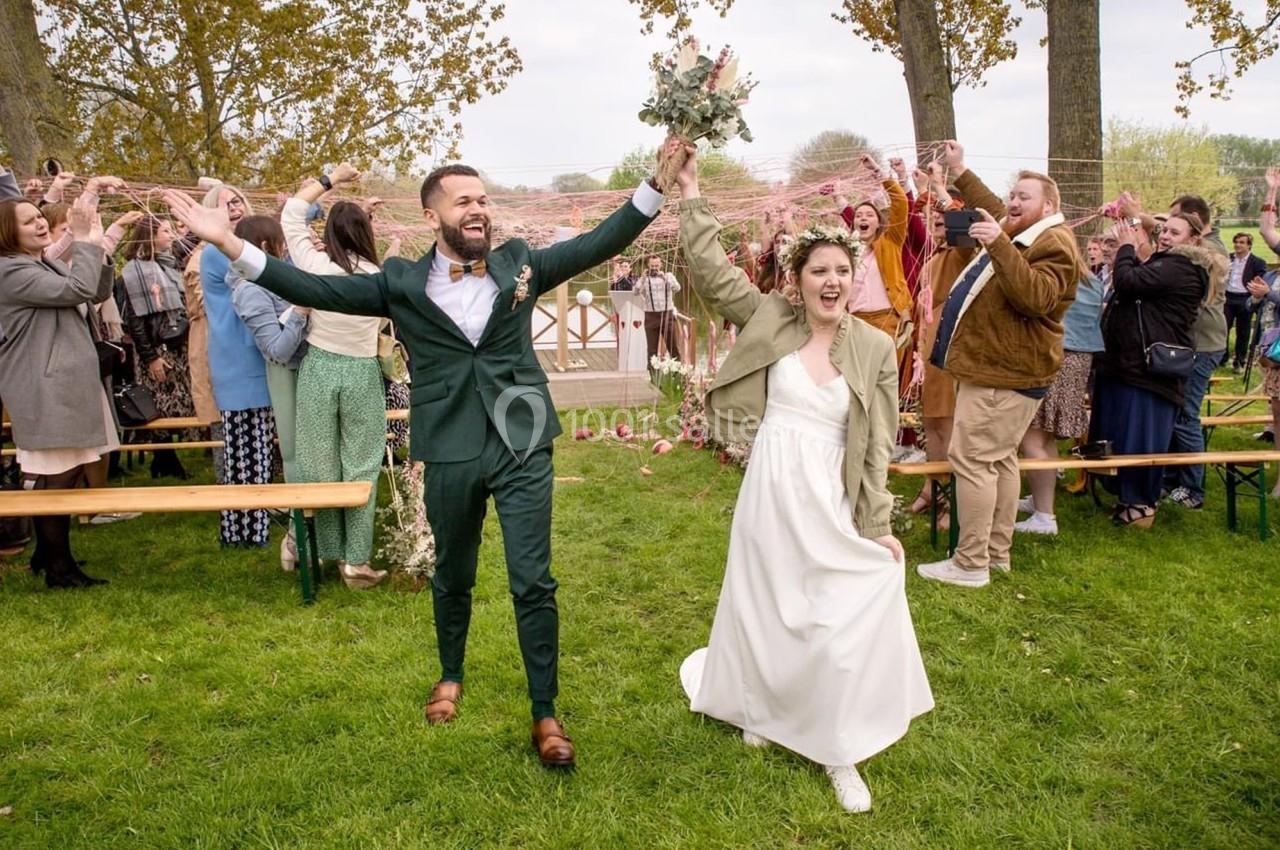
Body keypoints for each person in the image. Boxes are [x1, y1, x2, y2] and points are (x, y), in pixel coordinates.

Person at [162, 149, 667, 769]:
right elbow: (311, 286)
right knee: (453, 569)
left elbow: (599, 241)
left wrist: (655, 186)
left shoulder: (521, 264)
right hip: (449, 443)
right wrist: (232, 246)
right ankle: (450, 673)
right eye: (465, 201)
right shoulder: (398, 281)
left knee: (532, 579)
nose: (479, 208)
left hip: (522, 439)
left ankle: (545, 712)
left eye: (483, 199)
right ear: (433, 216)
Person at [672, 147, 931, 813]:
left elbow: (874, 444)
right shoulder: (773, 318)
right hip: (770, 484)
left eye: (843, 270)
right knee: (765, 603)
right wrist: (694, 193)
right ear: (800, 278)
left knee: (837, 611)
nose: (832, 280)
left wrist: (876, 524)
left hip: (829, 490)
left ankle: (840, 749)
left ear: (855, 277)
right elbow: (710, 270)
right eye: (819, 270)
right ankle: (761, 710)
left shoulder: (875, 347)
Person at [916, 141, 1085, 588]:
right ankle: (996, 553)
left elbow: (1036, 297)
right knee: (1001, 461)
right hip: (996, 369)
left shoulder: (1055, 243)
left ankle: (970, 563)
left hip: (1003, 374)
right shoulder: (1026, 232)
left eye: (1022, 197)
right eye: (1012, 195)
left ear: (1048, 205)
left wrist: (998, 246)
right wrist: (961, 170)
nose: (1011, 202)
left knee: (971, 460)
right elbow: (994, 214)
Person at [276, 167, 388, 588]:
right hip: (360, 370)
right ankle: (355, 562)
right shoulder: (379, 278)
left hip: (320, 367)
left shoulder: (316, 265)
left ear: (332, 235)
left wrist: (330, 179)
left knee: (319, 465)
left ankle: (320, 552)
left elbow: (291, 213)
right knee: (362, 463)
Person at [0, 199, 116, 588]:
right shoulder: (9, 270)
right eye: (28, 220)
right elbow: (77, 287)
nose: (39, 223)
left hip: (59, 384)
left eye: (39, 216)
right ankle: (59, 568)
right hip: (42, 386)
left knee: (66, 472)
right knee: (57, 478)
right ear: (6, 231)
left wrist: (94, 246)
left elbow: (93, 292)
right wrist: (81, 238)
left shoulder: (36, 263)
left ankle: (48, 554)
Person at [1091, 213, 1211, 527]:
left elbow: (1128, 281)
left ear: (1193, 240)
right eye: (1164, 230)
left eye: (1175, 232)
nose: (1166, 236)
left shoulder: (1184, 268)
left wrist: (1126, 248)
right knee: (1118, 433)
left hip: (1148, 372)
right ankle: (1126, 498)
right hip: (1126, 364)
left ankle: (1141, 504)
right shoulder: (1164, 262)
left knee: (1139, 436)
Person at [229, 215, 310, 567]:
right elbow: (276, 351)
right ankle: (296, 542)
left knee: (313, 460)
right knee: (296, 460)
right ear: (265, 246)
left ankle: (308, 540)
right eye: (281, 243)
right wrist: (301, 312)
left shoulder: (273, 278)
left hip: (307, 373)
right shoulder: (249, 291)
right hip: (287, 377)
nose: (285, 249)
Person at [1015, 271, 1106, 535]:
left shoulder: (1058, 278)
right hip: (1077, 359)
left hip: (1055, 357)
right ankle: (1040, 501)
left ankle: (1045, 516)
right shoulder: (1092, 280)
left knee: (1032, 439)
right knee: (1045, 438)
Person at [908, 165, 971, 525]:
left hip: (952, 346)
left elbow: (963, 230)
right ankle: (932, 486)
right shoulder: (932, 259)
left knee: (947, 424)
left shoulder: (963, 253)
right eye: (934, 220)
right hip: (928, 349)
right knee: (931, 422)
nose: (937, 225)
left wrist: (941, 190)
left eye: (942, 220)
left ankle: (953, 498)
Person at [121, 215, 198, 480]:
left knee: (180, 402)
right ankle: (165, 459)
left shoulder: (167, 261)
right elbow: (135, 320)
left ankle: (165, 459)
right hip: (156, 348)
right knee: (159, 406)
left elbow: (191, 238)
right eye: (165, 230)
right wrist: (150, 356)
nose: (170, 235)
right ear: (150, 235)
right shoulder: (134, 271)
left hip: (177, 344)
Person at [1224, 233, 1268, 371]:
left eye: (1242, 242)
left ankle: (1239, 361)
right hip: (1228, 297)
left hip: (1245, 298)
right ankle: (1222, 357)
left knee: (1243, 332)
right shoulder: (1228, 258)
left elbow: (1261, 280)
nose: (1238, 245)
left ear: (1249, 245)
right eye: (1236, 242)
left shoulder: (1257, 262)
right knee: (1223, 328)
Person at [634, 253, 681, 362]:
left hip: (667, 315)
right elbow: (635, 292)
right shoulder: (644, 279)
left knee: (673, 348)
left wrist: (664, 278)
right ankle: (653, 376)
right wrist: (642, 278)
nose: (654, 268)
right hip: (651, 316)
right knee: (651, 351)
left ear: (661, 265)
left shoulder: (668, 276)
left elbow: (677, 288)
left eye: (656, 266)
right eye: (652, 266)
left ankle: (678, 375)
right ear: (648, 266)